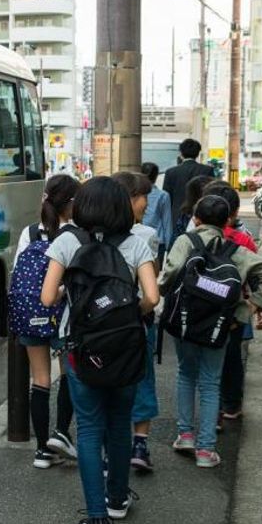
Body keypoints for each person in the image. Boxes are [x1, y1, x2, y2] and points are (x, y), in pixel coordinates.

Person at [41, 176, 159, 524]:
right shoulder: (136, 243)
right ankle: (117, 499)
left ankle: (98, 521)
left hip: (81, 347)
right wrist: (130, 313)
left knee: (90, 428)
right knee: (120, 422)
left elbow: (47, 298)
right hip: (126, 346)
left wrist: (72, 293)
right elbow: (152, 297)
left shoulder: (67, 242)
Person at [160, 194, 262, 469]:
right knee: (211, 382)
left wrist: (164, 293)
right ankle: (206, 450)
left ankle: (185, 435)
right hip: (220, 324)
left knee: (186, 373)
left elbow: (169, 275)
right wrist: (253, 305)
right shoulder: (235, 250)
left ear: (196, 219)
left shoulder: (185, 241)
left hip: (185, 321)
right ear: (228, 221)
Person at [11, 174, 80, 469]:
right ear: (72, 203)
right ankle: (61, 433)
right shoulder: (75, 235)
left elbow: (17, 274)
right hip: (64, 317)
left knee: (39, 379)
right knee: (68, 375)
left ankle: (42, 450)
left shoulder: (29, 233)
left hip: (31, 315)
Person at [113, 171, 162, 473]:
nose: (146, 202)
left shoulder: (88, 234)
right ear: (130, 199)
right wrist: (137, 311)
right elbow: (152, 292)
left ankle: (110, 451)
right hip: (137, 321)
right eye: (143, 196)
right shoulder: (145, 236)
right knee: (142, 379)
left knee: (108, 384)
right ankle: (140, 445)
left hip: (100, 325)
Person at [202, 182, 257, 421]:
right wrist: (260, 305)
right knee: (232, 356)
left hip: (202, 307)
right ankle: (232, 405)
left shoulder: (194, 238)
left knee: (205, 362)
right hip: (234, 310)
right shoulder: (244, 241)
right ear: (233, 213)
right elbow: (256, 276)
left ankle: (211, 412)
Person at [163, 139, 215, 231]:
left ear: (181, 153)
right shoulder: (207, 170)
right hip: (202, 216)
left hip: (177, 216)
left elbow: (167, 198)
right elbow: (212, 194)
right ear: (198, 154)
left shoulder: (170, 172)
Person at [140, 162, 173, 252]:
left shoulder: (136, 194)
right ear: (156, 176)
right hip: (158, 239)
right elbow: (167, 221)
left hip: (139, 238)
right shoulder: (163, 195)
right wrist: (169, 246)